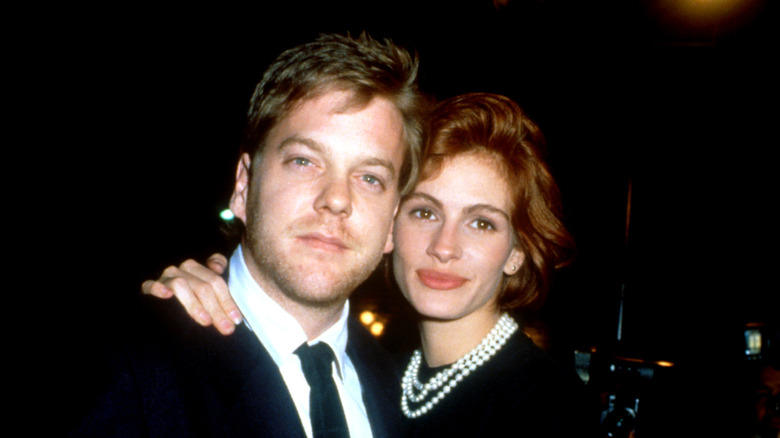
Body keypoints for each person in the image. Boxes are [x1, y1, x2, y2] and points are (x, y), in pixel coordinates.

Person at [146, 93, 601, 436]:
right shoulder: (372, 367)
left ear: (517, 251)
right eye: (425, 212)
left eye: (482, 223)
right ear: (389, 227)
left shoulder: (547, 407)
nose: (444, 247)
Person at [68, 32, 427, 438]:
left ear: (392, 223)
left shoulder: (399, 392)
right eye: (304, 161)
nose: (336, 200)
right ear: (243, 186)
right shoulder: (130, 366)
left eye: (369, 178)